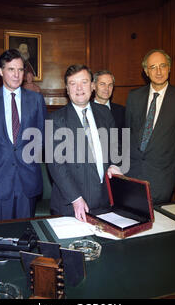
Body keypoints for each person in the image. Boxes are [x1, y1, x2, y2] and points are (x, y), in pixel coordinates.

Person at [47, 64, 122, 222]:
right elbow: (56, 165)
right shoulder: (55, 120)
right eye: (73, 84)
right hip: (71, 205)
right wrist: (76, 199)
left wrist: (115, 164)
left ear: (93, 86)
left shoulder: (105, 113)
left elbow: (115, 147)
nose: (79, 88)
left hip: (104, 201)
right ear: (67, 89)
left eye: (84, 82)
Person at [0, 49, 47, 221]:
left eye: (20, 70)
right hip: (0, 178)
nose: (17, 75)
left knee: (27, 234)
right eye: (11, 69)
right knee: (2, 235)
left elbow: (43, 135)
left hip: (28, 178)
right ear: (1, 71)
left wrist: (29, 156)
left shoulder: (36, 100)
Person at [125, 49, 175, 204]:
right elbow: (127, 133)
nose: (158, 72)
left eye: (162, 66)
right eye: (153, 67)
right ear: (146, 71)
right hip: (131, 175)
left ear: (169, 68)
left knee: (159, 225)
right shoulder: (134, 97)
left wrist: (168, 163)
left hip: (161, 178)